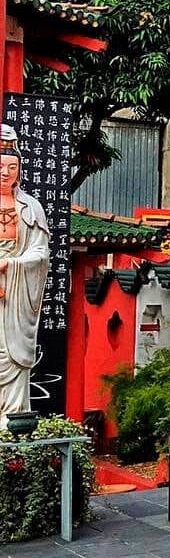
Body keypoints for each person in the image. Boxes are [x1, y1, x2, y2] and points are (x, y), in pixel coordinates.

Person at [0, 125, 50, 429]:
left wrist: (10, 265)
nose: (5, 173)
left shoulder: (30, 207)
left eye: (12, 167)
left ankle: (12, 417)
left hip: (15, 297)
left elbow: (40, 253)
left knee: (12, 355)